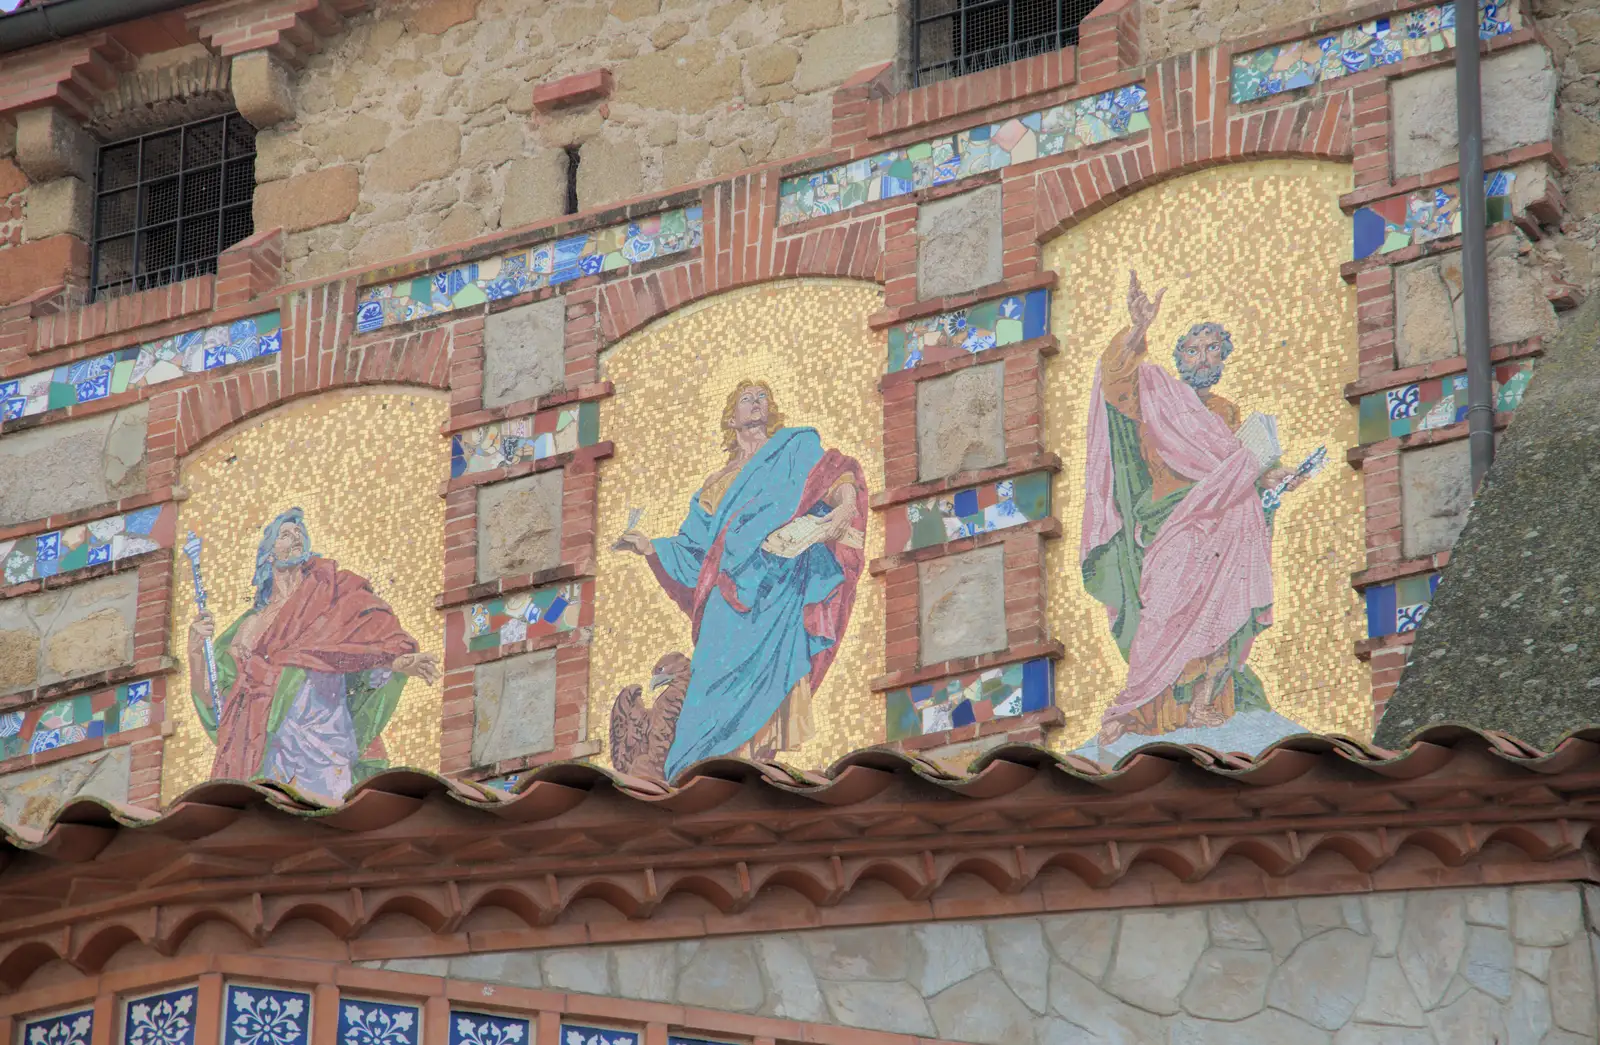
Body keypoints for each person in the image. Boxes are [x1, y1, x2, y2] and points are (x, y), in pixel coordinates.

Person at [1081, 271, 1304, 746]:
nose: (1203, 358)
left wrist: (1277, 477)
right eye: (1193, 349)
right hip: (1170, 521)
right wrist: (1139, 329)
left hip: (1225, 520)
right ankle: (1139, 703)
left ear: (1223, 358)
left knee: (1226, 608)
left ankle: (1203, 702)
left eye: (1213, 350)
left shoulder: (1226, 413)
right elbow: (1113, 381)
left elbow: (1245, 465)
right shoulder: (1153, 395)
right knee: (1162, 610)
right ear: (1179, 355)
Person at [616, 381, 866, 779]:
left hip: (779, 586)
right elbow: (695, 550)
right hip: (727, 599)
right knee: (708, 683)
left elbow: (833, 475)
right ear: (731, 418)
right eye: (746, 398)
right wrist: (649, 547)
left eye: (762, 396)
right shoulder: (716, 485)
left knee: (776, 674)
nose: (756, 403)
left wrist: (847, 506)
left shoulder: (793, 447)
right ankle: (696, 772)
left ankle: (758, 765)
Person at [187, 508, 439, 796]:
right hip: (266, 742)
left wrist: (396, 660)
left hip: (323, 734)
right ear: (268, 554)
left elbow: (364, 638)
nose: (296, 538)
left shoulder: (332, 593)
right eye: (285, 535)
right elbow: (216, 702)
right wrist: (196, 649)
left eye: (299, 533)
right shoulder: (248, 627)